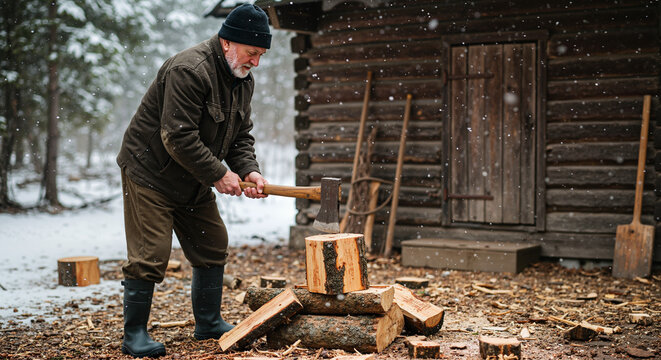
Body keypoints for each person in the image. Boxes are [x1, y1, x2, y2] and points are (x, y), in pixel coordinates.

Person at [115, 4, 271, 358]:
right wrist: (218, 174)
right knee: (150, 255)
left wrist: (248, 170)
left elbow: (240, 135)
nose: (255, 62)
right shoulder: (189, 69)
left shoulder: (242, 80)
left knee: (212, 244)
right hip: (150, 172)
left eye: (261, 55)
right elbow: (178, 137)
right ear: (228, 42)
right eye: (252, 53)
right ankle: (134, 334)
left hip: (192, 175)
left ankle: (209, 322)